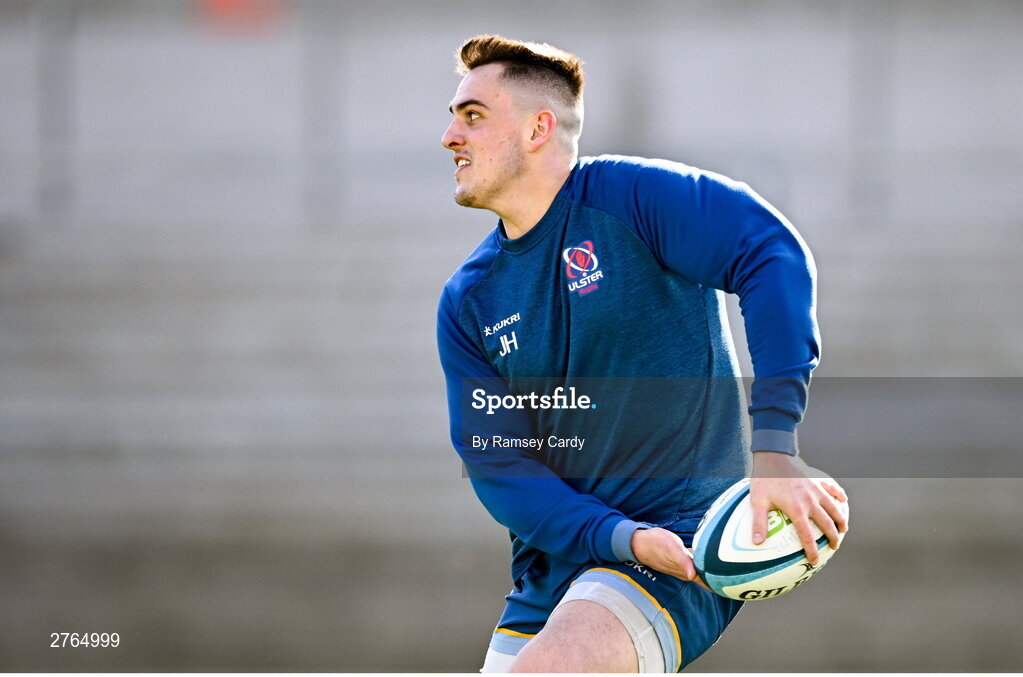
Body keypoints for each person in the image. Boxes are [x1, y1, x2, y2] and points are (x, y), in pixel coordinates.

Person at [436, 34, 848, 673]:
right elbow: (500, 468)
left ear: (539, 127)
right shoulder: (469, 299)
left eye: (472, 116)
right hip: (553, 577)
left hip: (680, 553)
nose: (449, 137)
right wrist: (619, 536)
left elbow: (773, 254)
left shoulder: (634, 199)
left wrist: (774, 450)